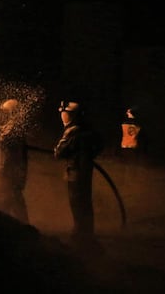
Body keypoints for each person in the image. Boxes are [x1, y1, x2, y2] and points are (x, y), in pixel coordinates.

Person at [53, 100, 103, 244]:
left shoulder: (72, 131)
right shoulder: (87, 130)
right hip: (85, 171)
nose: (62, 116)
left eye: (65, 114)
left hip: (75, 172)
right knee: (85, 203)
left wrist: (60, 151)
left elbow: (59, 153)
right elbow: (100, 144)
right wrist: (90, 155)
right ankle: (86, 234)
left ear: (71, 115)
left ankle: (80, 236)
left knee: (77, 204)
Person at [0, 98, 29, 223]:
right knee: (12, 195)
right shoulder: (14, 125)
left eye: (5, 112)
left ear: (11, 112)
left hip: (8, 167)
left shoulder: (13, 126)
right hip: (11, 166)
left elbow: (4, 140)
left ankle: (5, 221)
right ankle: (17, 222)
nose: (2, 115)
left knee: (6, 193)